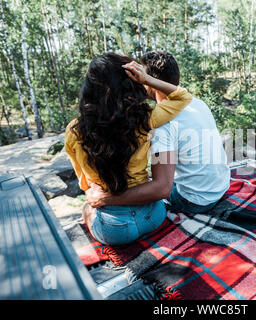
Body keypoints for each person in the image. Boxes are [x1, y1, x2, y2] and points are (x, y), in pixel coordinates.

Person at [65, 52, 192, 245]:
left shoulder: (74, 131)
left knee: (87, 206)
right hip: (153, 215)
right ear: (130, 84)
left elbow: (84, 184)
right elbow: (182, 96)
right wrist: (148, 79)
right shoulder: (145, 119)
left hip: (113, 229)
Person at [85, 51, 230, 215]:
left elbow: (161, 189)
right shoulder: (197, 103)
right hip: (221, 186)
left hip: (196, 201)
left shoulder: (163, 124)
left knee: (146, 193)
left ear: (148, 82)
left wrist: (106, 198)